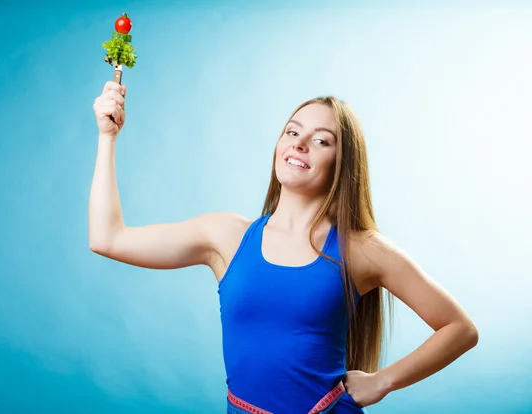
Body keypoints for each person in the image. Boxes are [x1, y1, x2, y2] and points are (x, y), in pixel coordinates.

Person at [89, 81, 479, 413]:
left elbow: (460, 328)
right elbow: (107, 239)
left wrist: (384, 381)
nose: (301, 144)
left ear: (342, 163)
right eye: (292, 132)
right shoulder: (225, 236)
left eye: (322, 140)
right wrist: (108, 138)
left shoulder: (362, 249)